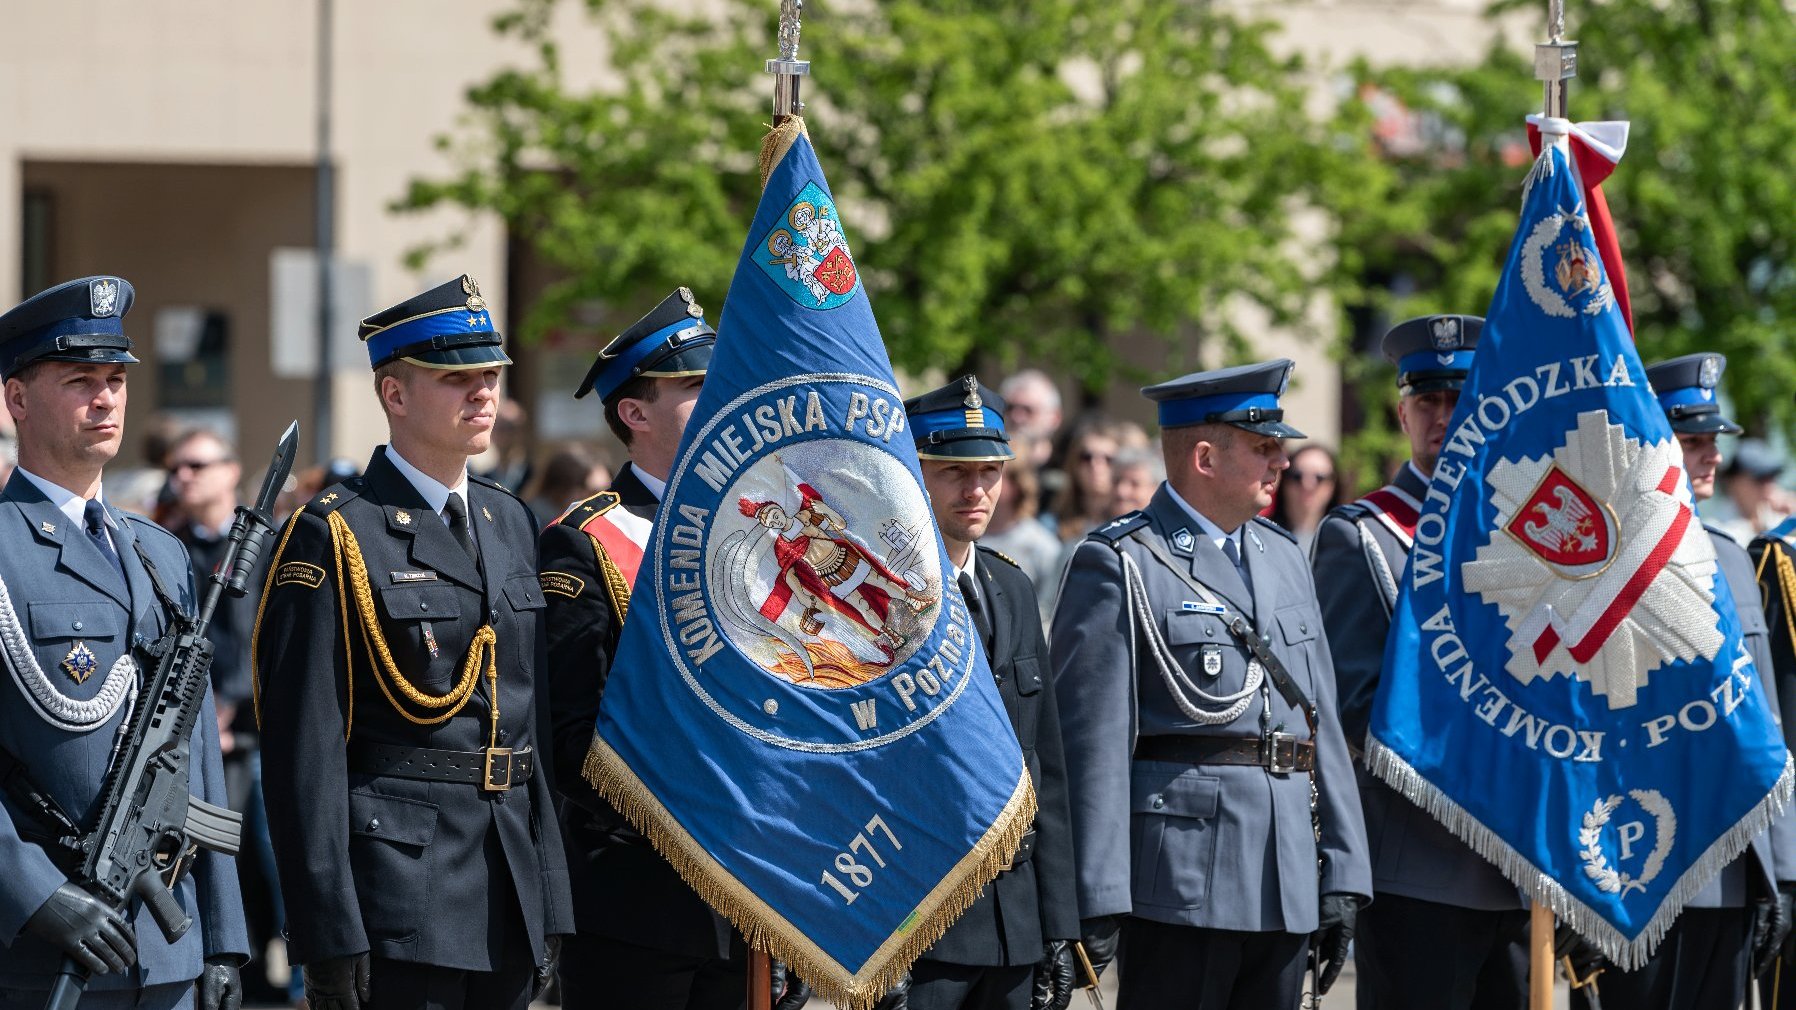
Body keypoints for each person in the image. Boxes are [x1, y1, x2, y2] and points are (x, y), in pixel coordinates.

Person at [254, 274, 574, 1010]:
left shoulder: (510, 520)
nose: (483, 393)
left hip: (508, 885)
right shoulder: (335, 531)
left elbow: (534, 735)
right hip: (396, 894)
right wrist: (325, 928)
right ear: (394, 396)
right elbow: (304, 752)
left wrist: (551, 900)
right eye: (456, 377)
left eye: (490, 375)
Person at [1051, 359, 1370, 1009]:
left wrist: (1343, 869)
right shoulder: (1122, 562)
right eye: (1262, 448)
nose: (1280, 463)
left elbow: (1319, 725)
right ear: (1203, 456)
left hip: (1284, 872)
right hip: (1182, 878)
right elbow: (1091, 750)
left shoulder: (1283, 555)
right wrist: (1096, 895)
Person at [0, 276, 246, 1009]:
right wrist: (33, 893)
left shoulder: (160, 553)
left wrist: (223, 938)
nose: (105, 398)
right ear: (16, 399)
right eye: (80, 380)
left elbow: (196, 754)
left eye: (115, 380)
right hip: (44, 950)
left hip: (167, 952)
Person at [535, 288, 755, 1010]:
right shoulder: (589, 539)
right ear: (634, 413)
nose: (720, 395)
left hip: (750, 897)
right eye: (695, 387)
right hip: (637, 898)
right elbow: (572, 737)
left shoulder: (755, 525)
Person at [1311, 315, 1531, 1008]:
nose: (1444, 417)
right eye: (1428, 402)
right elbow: (1353, 703)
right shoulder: (1364, 536)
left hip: (1524, 868)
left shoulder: (1528, 535)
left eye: (1460, 399)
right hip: (1419, 867)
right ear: (1402, 412)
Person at [1583, 353, 1796, 1009]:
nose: (1710, 458)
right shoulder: (1600, 564)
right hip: (1636, 863)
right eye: (1692, 441)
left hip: (1730, 870)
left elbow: (1766, 736)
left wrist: (1779, 876)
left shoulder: (1732, 560)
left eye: (1712, 442)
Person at [901, 376, 1080, 1010]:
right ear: (910, 473)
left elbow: (1045, 766)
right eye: (954, 471)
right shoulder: (873, 600)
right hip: (920, 919)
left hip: (1014, 920)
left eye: (989, 471)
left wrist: (1059, 926)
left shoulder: (1012, 588)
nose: (976, 490)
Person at [162, 428, 292, 1002]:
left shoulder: (268, 545)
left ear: (231, 470)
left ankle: (298, 983)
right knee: (221, 867)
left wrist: (241, 706)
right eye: (176, 468)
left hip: (260, 736)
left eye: (196, 464)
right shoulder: (167, 546)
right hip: (199, 738)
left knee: (278, 866)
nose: (182, 476)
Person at [1268, 444, 1337, 555]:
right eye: (1297, 476)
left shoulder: (1346, 540)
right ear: (1284, 482)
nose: (1308, 485)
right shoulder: (1261, 535)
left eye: (1319, 478)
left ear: (1333, 485)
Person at [527, 445, 612, 522]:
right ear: (559, 490)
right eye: (593, 492)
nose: (604, 500)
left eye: (608, 492)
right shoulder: (533, 524)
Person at [1107, 447, 1163, 518]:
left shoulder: (1171, 527)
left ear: (1156, 489)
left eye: (1134, 484)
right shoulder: (1092, 526)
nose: (1121, 492)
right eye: (1116, 481)